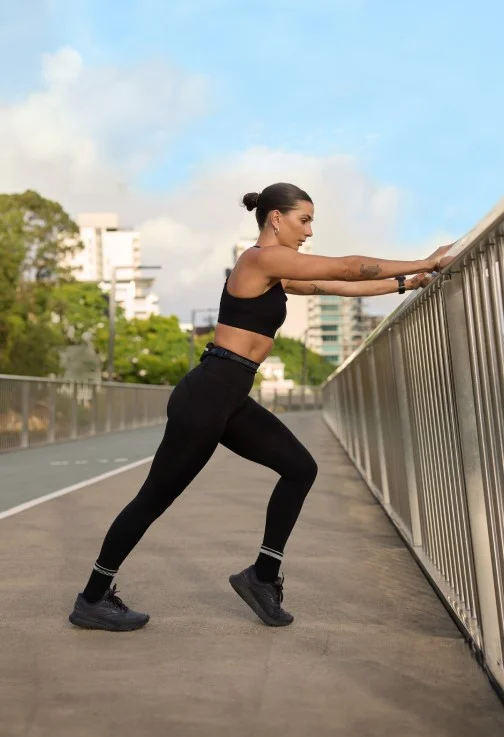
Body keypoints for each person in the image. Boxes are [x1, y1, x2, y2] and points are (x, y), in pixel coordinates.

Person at [69, 182, 454, 632]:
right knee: (154, 498)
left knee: (299, 468)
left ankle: (262, 577)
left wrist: (408, 282)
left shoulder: (276, 271)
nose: (309, 231)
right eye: (303, 220)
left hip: (230, 397)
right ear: (276, 217)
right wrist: (426, 258)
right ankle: (92, 598)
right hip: (208, 395)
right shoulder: (259, 259)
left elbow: (332, 285)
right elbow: (349, 266)